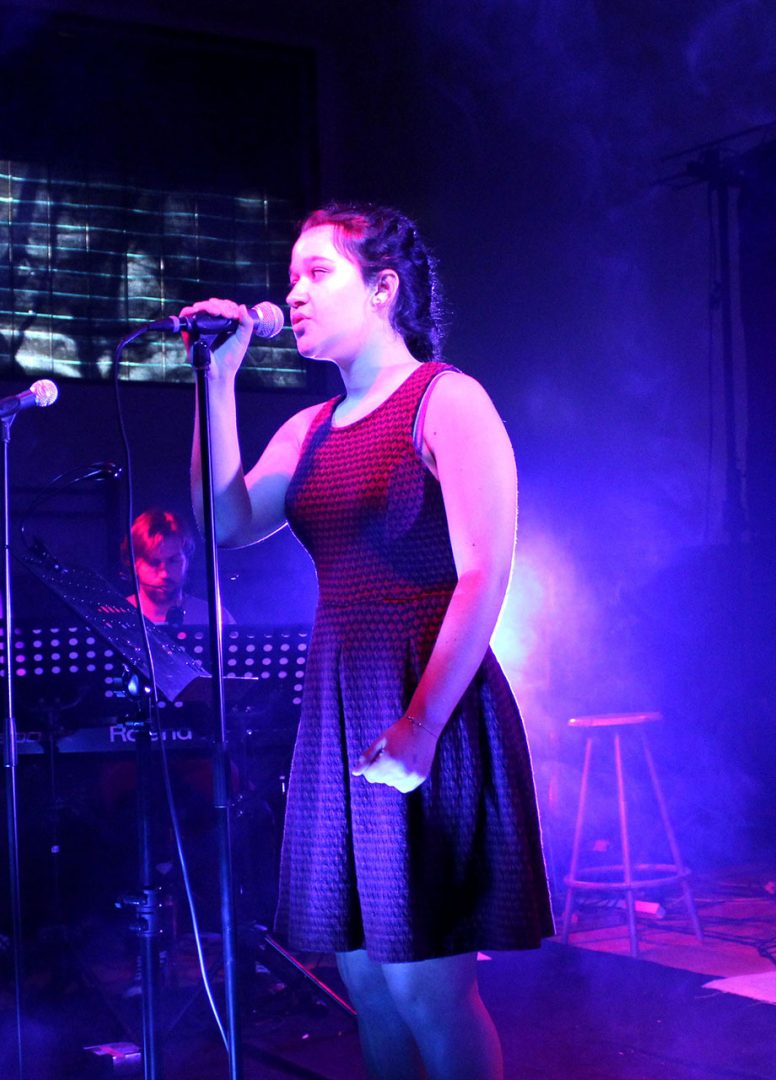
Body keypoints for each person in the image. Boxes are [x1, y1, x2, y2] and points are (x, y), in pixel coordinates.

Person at [186, 203, 553, 1080]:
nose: (294, 293)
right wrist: (216, 383)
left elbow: (484, 573)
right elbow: (224, 522)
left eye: (318, 272)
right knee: (368, 988)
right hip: (341, 714)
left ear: (383, 289)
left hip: (426, 704)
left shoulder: (446, 400)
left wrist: (421, 725)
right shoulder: (308, 430)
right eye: (291, 276)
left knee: (427, 988)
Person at [122, 506, 226, 625]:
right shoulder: (113, 618)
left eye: (173, 561)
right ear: (133, 563)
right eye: (154, 563)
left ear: (187, 561)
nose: (165, 574)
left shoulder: (216, 618)